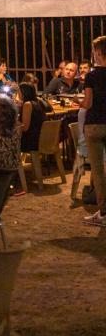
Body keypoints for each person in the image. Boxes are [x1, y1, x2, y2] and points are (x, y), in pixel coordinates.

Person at [79, 36, 106, 226]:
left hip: (94, 125)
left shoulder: (91, 75)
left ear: (98, 53)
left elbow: (87, 103)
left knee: (98, 171)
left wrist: (76, 102)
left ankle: (104, 213)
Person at [19, 83, 47, 152]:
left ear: (24, 93)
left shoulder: (27, 104)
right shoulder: (37, 102)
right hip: (41, 137)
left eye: (19, 91)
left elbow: (25, 128)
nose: (18, 94)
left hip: (32, 141)